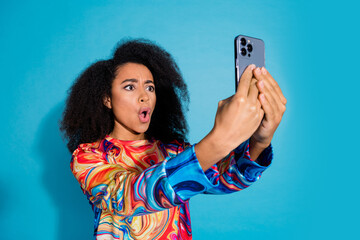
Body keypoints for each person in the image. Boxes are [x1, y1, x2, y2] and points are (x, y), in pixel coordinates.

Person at [60, 39, 287, 239]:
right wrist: (218, 141)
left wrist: (259, 142)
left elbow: (227, 177)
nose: (144, 96)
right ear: (107, 99)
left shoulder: (173, 151)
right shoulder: (89, 156)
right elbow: (126, 196)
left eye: (150, 87)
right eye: (130, 87)